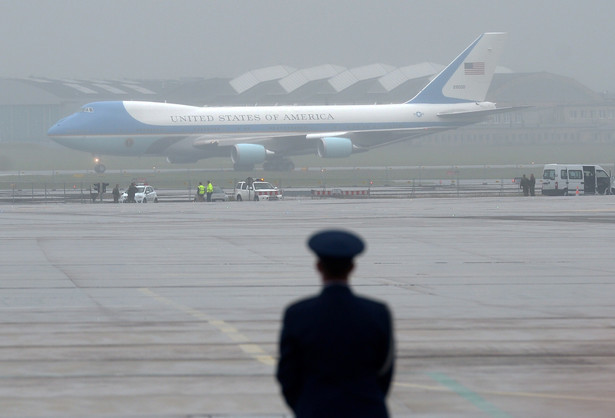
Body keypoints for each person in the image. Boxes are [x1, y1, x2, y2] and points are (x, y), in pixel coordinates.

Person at [276, 229, 395, 418]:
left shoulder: (297, 314)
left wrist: (304, 407)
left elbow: (287, 375)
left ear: (318, 267)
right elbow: (384, 371)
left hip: (315, 410)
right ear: (352, 267)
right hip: (367, 410)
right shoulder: (377, 313)